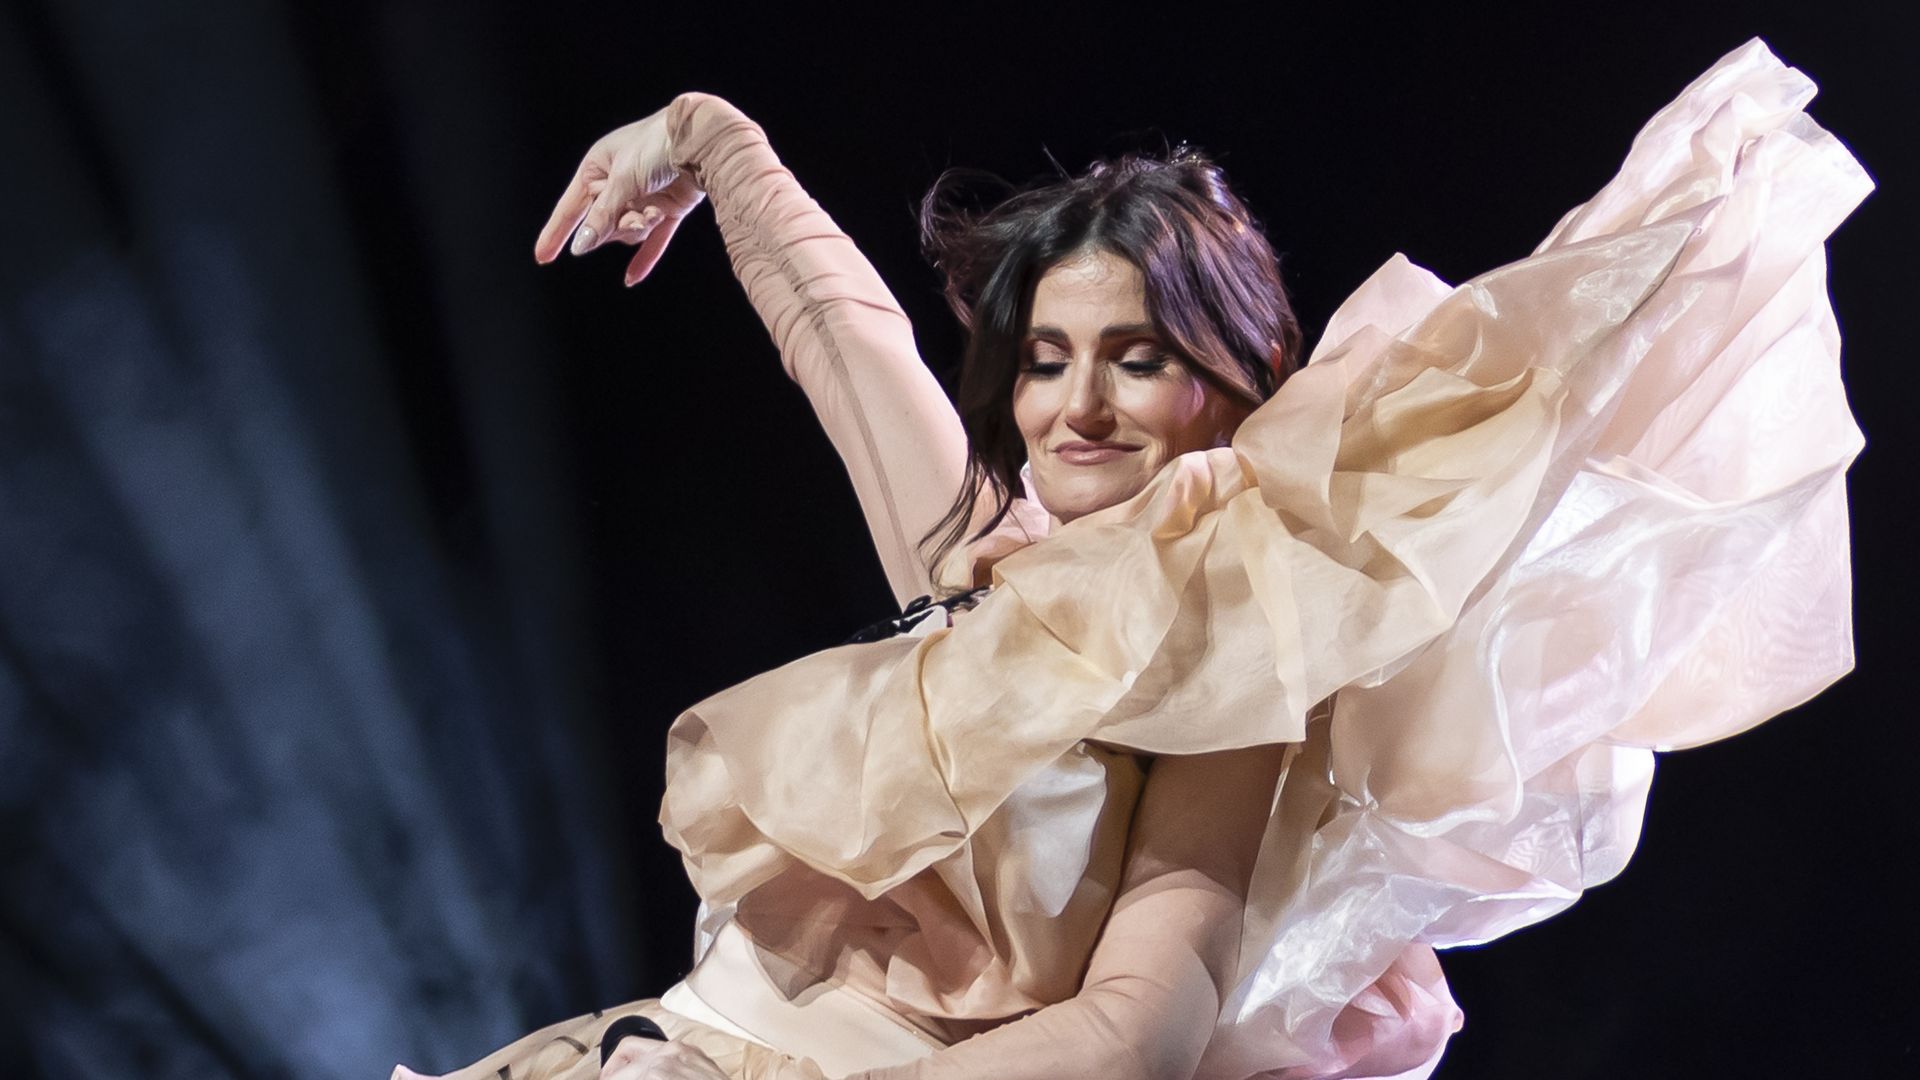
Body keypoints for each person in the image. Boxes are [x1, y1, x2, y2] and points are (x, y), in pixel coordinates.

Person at [393, 36, 1871, 1080]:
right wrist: (709, 136)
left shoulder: (1242, 686)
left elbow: (1130, 1043)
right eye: (1042, 358)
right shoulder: (990, 562)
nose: (1073, 403)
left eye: (1138, 356)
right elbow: (848, 343)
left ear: (1227, 383)